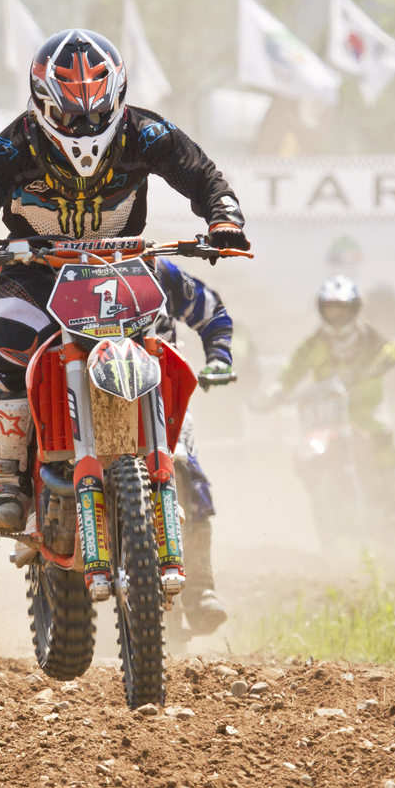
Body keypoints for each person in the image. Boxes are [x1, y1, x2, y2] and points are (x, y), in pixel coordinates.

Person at [0, 28, 248, 533]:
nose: (84, 128)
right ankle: (8, 480)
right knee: (11, 341)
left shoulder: (148, 133)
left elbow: (205, 178)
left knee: (162, 344)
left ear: (118, 98)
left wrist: (224, 219)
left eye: (97, 115)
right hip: (35, 274)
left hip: (121, 269)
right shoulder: (12, 146)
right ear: (42, 105)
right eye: (69, 117)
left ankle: (173, 452)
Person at [270, 275, 395, 521]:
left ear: (355, 309)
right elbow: (291, 370)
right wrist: (275, 391)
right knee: (305, 452)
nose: (336, 317)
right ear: (321, 310)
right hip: (324, 415)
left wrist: (377, 366)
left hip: (364, 412)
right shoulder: (314, 343)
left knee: (382, 436)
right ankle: (322, 501)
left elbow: (391, 349)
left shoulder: (367, 336)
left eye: (342, 310)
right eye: (330, 310)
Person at [151, 258, 236, 634]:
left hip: (159, 395)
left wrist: (219, 355)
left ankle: (200, 587)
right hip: (79, 392)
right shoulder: (55, 265)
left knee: (187, 469)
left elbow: (210, 309)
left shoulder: (156, 269)